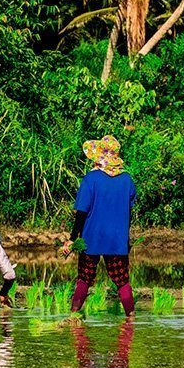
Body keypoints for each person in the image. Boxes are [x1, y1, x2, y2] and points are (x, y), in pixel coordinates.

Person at [61, 135, 137, 317]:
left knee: (84, 278)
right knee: (122, 281)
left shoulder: (91, 178)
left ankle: (73, 315)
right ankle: (131, 317)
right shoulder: (127, 180)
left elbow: (81, 212)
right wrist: (125, 239)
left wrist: (72, 239)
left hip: (92, 239)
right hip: (117, 241)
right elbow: (129, 213)